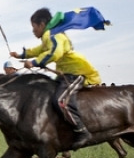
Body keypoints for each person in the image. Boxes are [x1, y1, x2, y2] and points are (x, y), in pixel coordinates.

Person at [10, 8, 101, 149]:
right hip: (65, 73)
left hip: (77, 72)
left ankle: (82, 131)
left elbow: (54, 53)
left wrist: (33, 63)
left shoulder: (53, 35)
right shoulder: (49, 35)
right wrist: (21, 55)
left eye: (34, 27)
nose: (33, 31)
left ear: (41, 24)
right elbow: (39, 50)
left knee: (60, 101)